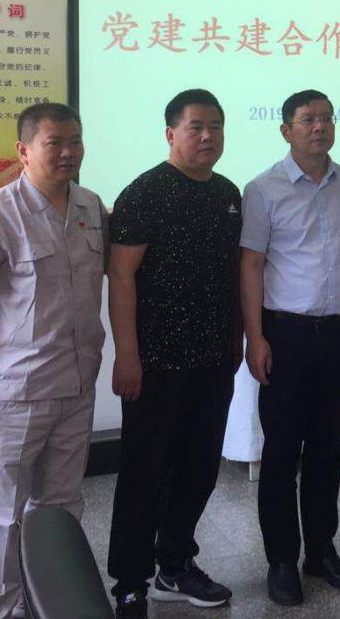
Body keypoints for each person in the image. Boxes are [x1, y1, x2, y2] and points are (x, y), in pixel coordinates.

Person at [0, 103, 106, 619]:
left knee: (59, 511)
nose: (68, 152)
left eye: (75, 141)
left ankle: (47, 604)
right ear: (23, 150)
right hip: (14, 393)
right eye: (54, 142)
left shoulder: (90, 206)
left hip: (76, 386)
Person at [106, 89, 242, 619]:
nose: (208, 136)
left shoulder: (228, 193)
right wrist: (127, 355)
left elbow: (232, 275)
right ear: (171, 133)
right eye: (195, 127)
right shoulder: (145, 192)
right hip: (156, 362)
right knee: (145, 473)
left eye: (216, 126)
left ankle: (175, 564)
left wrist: (236, 339)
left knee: (199, 469)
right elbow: (121, 276)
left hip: (213, 360)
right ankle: (130, 581)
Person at [240, 90, 340, 606]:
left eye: (326, 118)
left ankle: (320, 551)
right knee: (280, 453)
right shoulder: (263, 189)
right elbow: (251, 266)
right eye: (308, 119)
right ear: (286, 130)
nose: (319, 127)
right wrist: (256, 338)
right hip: (286, 335)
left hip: (337, 333)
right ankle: (281, 561)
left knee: (325, 450)